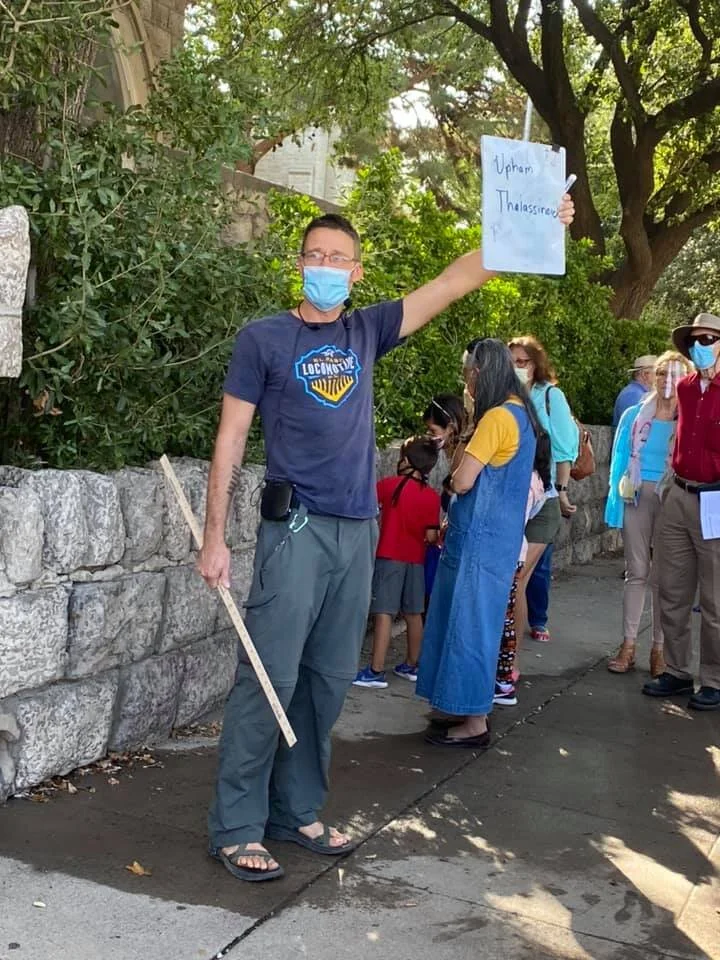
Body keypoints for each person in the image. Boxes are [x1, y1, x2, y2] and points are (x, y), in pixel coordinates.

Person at [196, 200, 577, 881]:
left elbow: (455, 280)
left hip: (356, 533)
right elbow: (229, 441)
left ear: (356, 272)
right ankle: (237, 825)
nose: (327, 268)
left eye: (339, 259)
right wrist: (214, 538)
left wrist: (536, 224)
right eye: (316, 255)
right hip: (297, 529)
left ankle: (297, 809)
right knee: (270, 678)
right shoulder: (263, 340)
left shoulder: (367, 331)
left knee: (326, 682)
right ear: (300, 264)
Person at [416, 338, 546, 747]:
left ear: (480, 371)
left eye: (468, 372)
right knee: (474, 625)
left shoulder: (497, 419)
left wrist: (455, 471)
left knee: (469, 628)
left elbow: (463, 479)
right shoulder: (522, 414)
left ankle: (473, 722)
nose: (466, 380)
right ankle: (457, 706)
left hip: (479, 540)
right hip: (498, 540)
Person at [643, 313, 720, 711]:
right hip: (679, 493)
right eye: (696, 340)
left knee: (715, 598)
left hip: (716, 499)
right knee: (670, 587)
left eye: (710, 338)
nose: (702, 345)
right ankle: (676, 670)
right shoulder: (687, 387)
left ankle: (714, 679)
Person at [605, 351, 692, 677]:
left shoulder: (689, 416)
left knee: (664, 578)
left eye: (676, 375)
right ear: (652, 377)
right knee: (636, 571)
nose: (668, 382)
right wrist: (615, 504)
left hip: (673, 498)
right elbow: (618, 463)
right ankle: (628, 645)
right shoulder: (635, 414)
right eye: (662, 374)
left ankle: (659, 649)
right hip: (637, 497)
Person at [353, 436, 441, 688]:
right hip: (417, 559)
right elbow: (431, 535)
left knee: (384, 612)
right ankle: (412, 664)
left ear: (405, 461)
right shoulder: (432, 497)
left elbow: (366, 503)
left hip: (389, 556)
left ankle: (376, 670)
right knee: (414, 613)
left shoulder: (390, 485)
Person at [508, 336, 579, 645]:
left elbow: (564, 448)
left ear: (536, 364)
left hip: (542, 493)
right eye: (511, 361)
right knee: (514, 575)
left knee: (526, 574)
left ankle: (524, 636)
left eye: (522, 362)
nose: (516, 367)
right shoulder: (505, 396)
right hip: (510, 493)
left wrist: (560, 490)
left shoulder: (551, 396)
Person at [494, 468, 548, 706]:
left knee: (506, 608)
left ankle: (505, 676)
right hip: (514, 548)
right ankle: (505, 676)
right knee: (508, 609)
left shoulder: (524, 478)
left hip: (507, 550)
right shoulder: (534, 480)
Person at [423, 394, 467, 604]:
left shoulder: (462, 452)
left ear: (450, 426)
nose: (430, 436)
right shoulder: (456, 450)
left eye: (433, 431)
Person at [612, 356, 657, 430]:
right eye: (657, 373)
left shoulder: (635, 392)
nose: (659, 378)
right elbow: (636, 428)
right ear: (645, 374)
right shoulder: (632, 395)